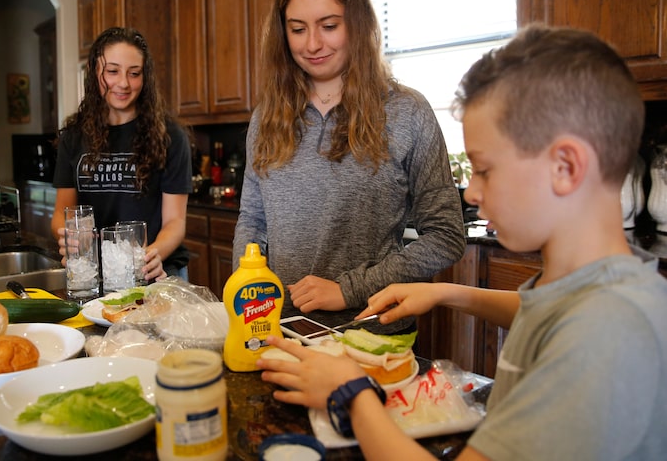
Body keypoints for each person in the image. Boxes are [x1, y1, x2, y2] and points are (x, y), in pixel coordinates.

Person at [257, 24, 667, 460]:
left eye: (485, 169)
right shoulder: (598, 288)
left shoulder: (606, 336)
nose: (471, 192)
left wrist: (351, 394)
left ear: (565, 167)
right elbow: (541, 311)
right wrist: (446, 293)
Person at [232, 0, 466, 333]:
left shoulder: (407, 112)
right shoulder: (266, 117)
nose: (312, 44)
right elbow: (253, 223)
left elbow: (446, 236)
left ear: (357, 25)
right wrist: (248, 297)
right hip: (280, 332)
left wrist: (349, 289)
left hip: (371, 337)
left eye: (329, 26)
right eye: (297, 29)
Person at [51, 27, 191, 281]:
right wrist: (68, 237)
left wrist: (150, 256)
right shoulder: (73, 136)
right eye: (112, 71)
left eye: (134, 73)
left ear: (145, 77)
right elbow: (63, 210)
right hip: (95, 275)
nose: (123, 83)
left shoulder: (169, 136)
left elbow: (175, 221)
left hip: (157, 273)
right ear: (95, 73)